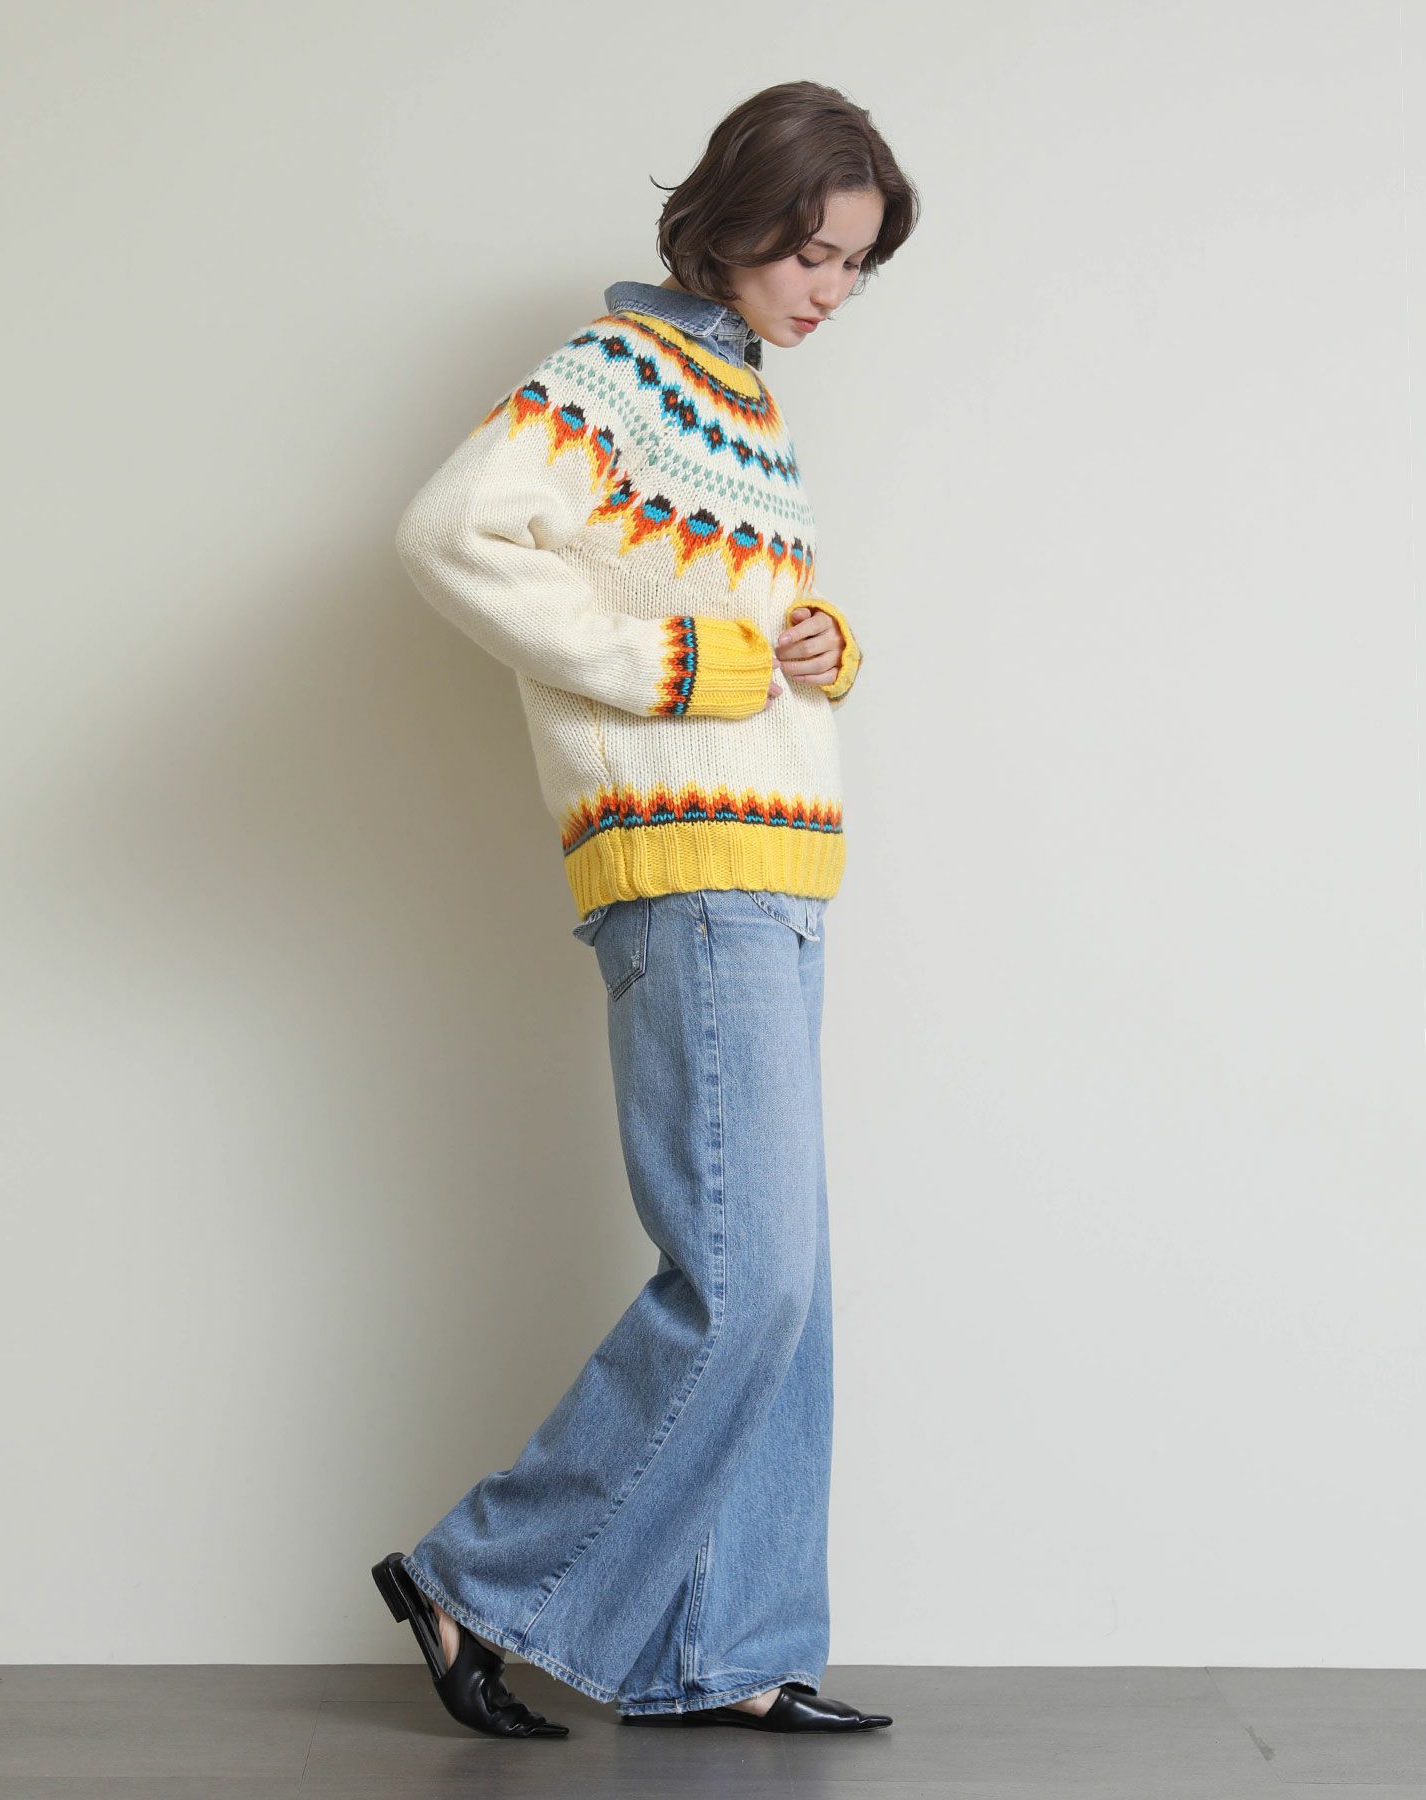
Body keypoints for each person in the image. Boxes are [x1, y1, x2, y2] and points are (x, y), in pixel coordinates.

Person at [374, 79, 919, 1739]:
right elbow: (451, 533)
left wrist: (818, 646)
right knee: (748, 1282)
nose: (833, 290)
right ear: (737, 222)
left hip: (778, 869)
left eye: (857, 265)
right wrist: (670, 661)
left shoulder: (742, 399)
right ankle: (473, 1581)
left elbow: (743, 625)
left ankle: (728, 1650)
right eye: (814, 254)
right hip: (688, 872)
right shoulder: (621, 369)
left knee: (791, 1296)